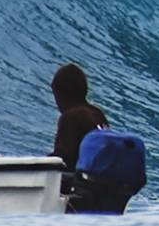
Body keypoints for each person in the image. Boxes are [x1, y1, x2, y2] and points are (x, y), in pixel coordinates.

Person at [50, 62, 146, 214]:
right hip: (109, 183)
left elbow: (63, 158)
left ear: (60, 94)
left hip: (83, 187)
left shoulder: (70, 117)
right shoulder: (96, 113)